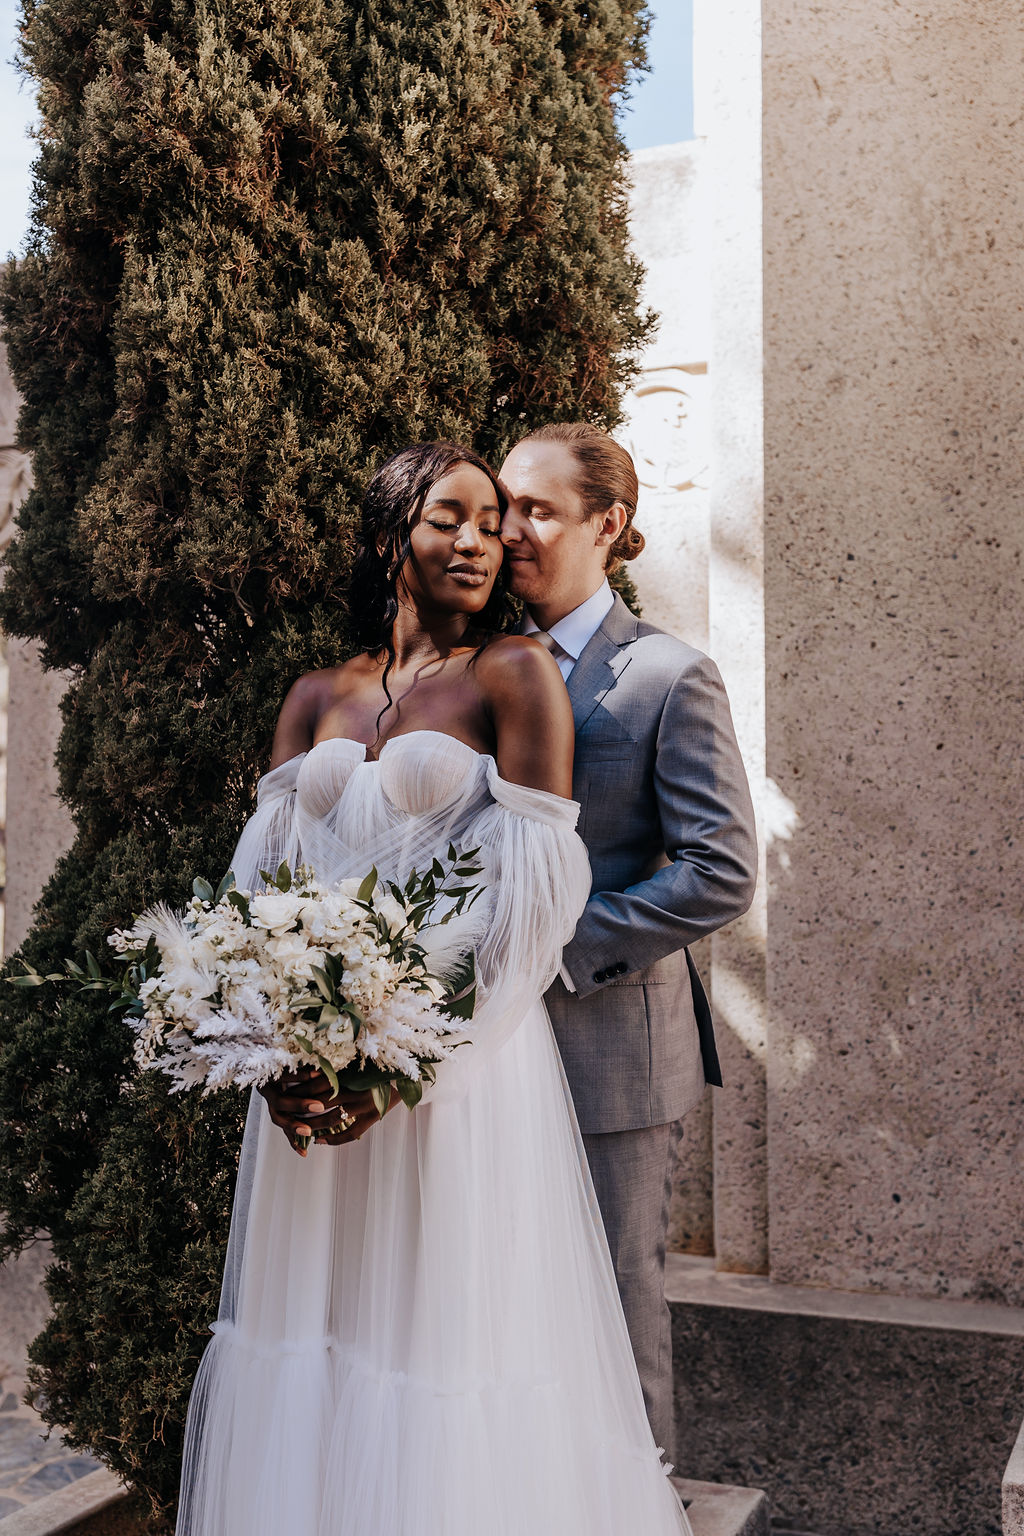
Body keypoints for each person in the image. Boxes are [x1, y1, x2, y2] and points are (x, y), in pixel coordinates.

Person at [175, 441, 692, 1536]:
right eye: (446, 519)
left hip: (457, 1074)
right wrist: (269, 1058)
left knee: (446, 1345)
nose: (479, 540)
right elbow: (253, 899)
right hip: (317, 1090)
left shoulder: (513, 672)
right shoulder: (320, 690)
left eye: (491, 520)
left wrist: (410, 1068)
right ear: (386, 537)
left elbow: (534, 902)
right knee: (321, 1335)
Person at [498, 423, 758, 1460]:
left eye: (537, 510)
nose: (510, 530)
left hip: (610, 1056)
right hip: (490, 1059)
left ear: (606, 524)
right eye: (502, 506)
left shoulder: (666, 676)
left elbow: (719, 871)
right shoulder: (483, 667)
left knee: (613, 1309)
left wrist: (551, 945)